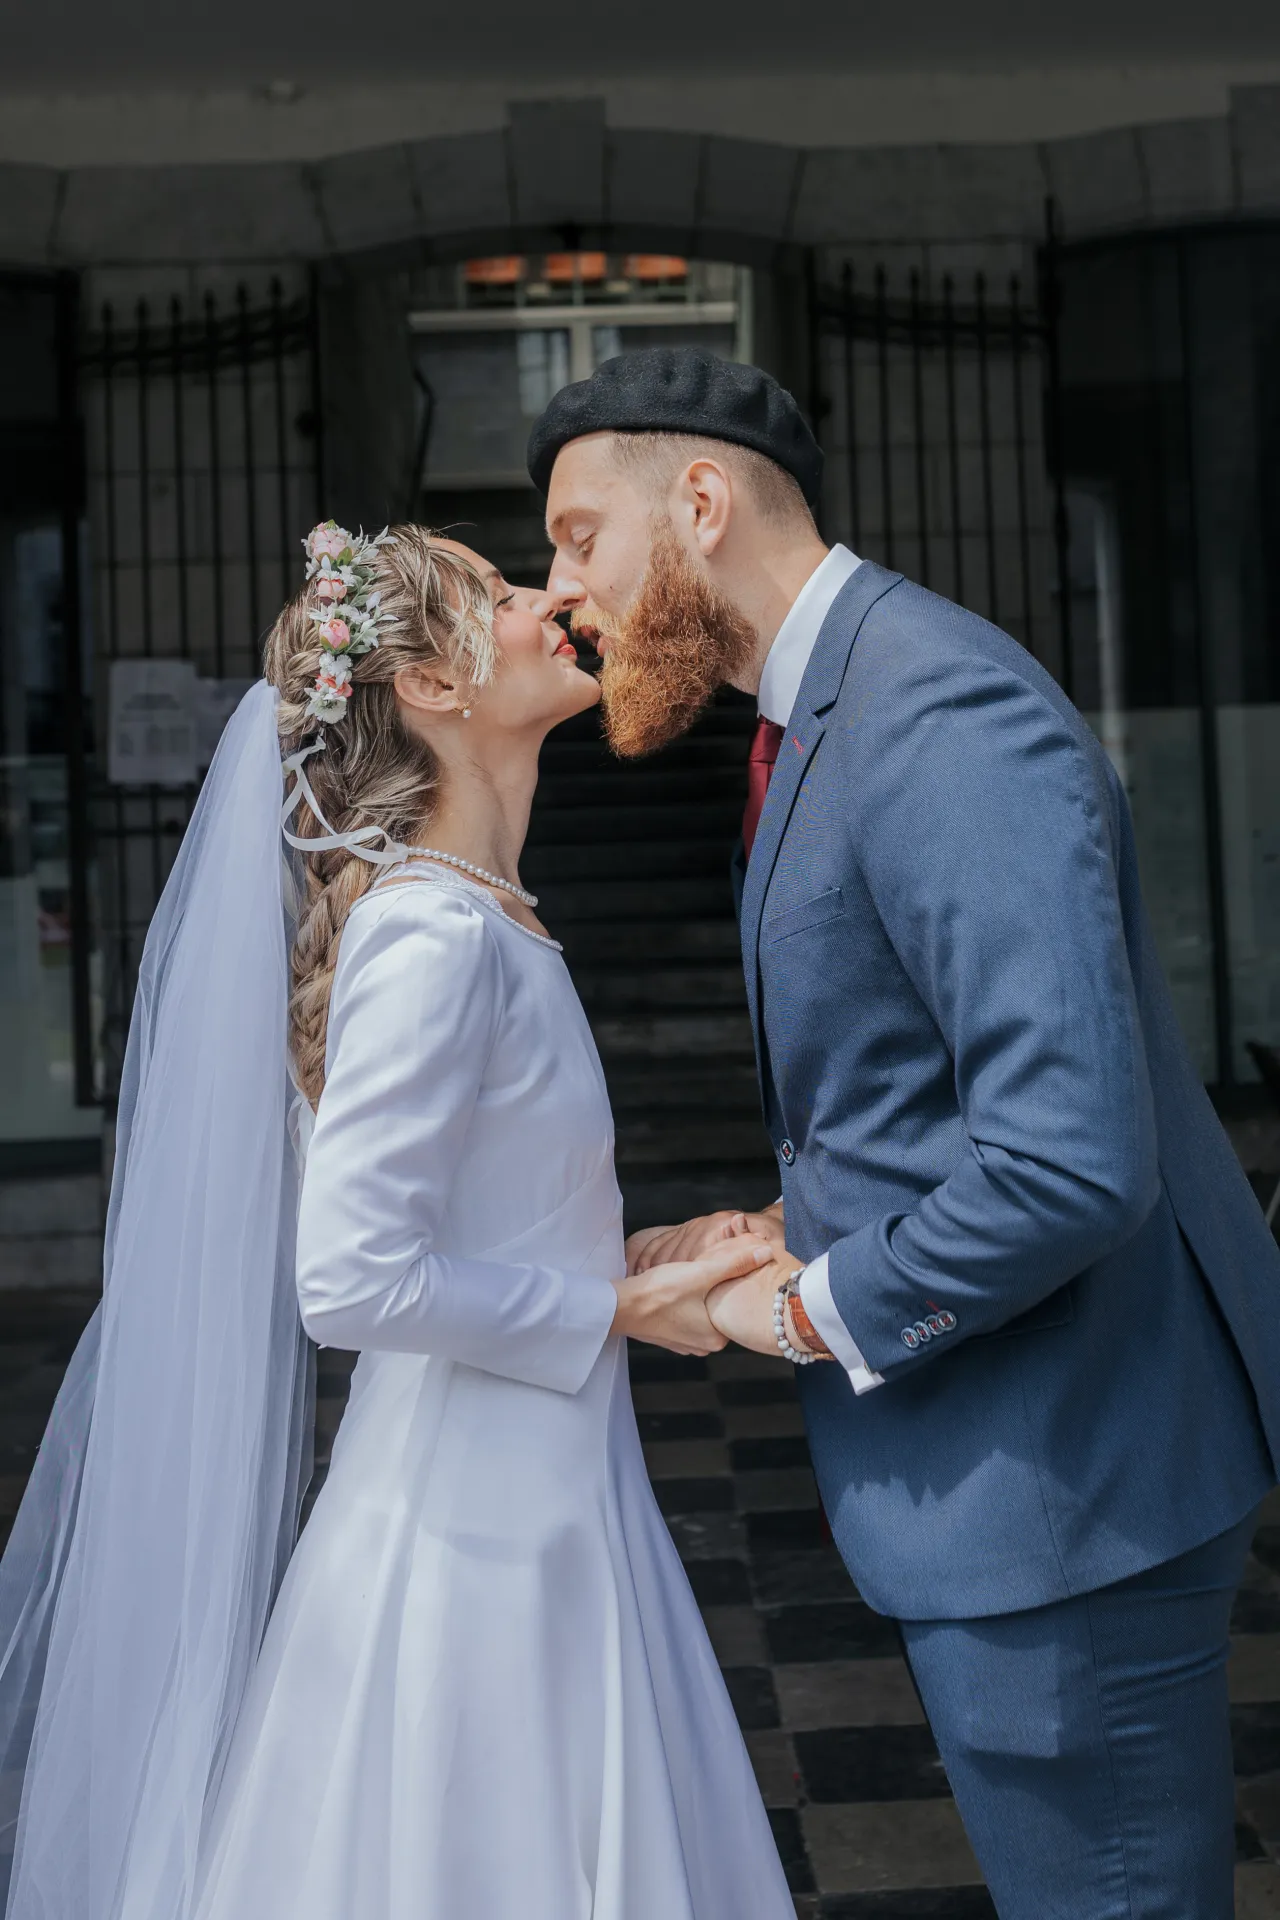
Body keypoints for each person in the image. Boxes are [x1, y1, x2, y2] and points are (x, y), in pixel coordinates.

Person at [529, 346, 1280, 1916]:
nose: (562, 590)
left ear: (704, 501)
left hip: (1071, 1496)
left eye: (578, 536)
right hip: (1019, 1488)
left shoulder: (934, 708)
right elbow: (924, 1092)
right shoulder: (826, 708)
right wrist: (788, 1223)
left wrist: (798, 1308)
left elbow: (1067, 1158)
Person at [0, 521, 797, 1920]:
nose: (553, 598)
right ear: (428, 685)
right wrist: (606, 1311)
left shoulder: (484, 915)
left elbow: (455, 1235)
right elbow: (352, 1281)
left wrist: (631, 1260)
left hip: (539, 1498)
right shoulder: (434, 937)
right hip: (469, 1543)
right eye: (501, 593)